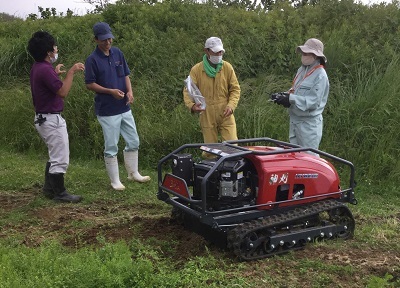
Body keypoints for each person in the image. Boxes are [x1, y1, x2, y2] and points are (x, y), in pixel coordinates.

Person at [84, 22, 150, 191]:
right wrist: (110, 91)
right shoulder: (92, 60)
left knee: (133, 140)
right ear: (96, 40)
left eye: (109, 38)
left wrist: (130, 91)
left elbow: (125, 74)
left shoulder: (117, 53)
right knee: (112, 145)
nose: (108, 42)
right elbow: (90, 84)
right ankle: (115, 180)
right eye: (104, 40)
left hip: (124, 106)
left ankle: (133, 172)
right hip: (107, 110)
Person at [27, 31, 84, 203]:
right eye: (54, 47)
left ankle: (49, 188)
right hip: (51, 119)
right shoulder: (45, 70)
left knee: (54, 153)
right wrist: (71, 72)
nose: (56, 49)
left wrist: (56, 74)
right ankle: (60, 193)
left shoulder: (38, 68)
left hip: (43, 118)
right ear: (48, 52)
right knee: (60, 156)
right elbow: (63, 92)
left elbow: (48, 85)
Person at [271, 38, 329, 156]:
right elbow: (296, 91)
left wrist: (290, 99)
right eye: (303, 52)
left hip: (308, 126)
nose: (303, 55)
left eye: (306, 53)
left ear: (315, 55)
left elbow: (313, 102)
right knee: (296, 157)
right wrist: (283, 96)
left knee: (309, 158)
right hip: (295, 121)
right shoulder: (302, 70)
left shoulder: (321, 76)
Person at [183, 36, 241, 146]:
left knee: (232, 146)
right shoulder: (197, 70)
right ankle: (210, 162)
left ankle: (232, 162)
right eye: (215, 52)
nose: (219, 55)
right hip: (206, 111)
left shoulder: (227, 67)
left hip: (225, 110)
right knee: (210, 148)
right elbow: (187, 90)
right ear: (207, 51)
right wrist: (192, 106)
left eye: (220, 52)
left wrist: (231, 105)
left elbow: (235, 89)